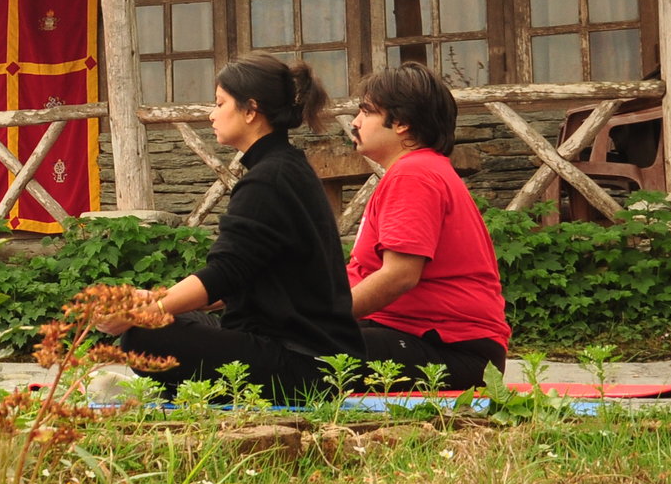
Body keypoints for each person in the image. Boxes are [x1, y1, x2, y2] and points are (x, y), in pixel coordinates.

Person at [121, 56, 364, 402]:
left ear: (251, 110)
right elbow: (246, 274)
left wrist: (146, 310)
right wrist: (154, 300)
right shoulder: (285, 168)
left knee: (143, 338)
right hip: (309, 357)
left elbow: (225, 272)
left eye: (220, 103)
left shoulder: (269, 180)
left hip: (304, 363)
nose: (212, 114)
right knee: (178, 318)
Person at [345, 64, 510, 390]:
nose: (355, 121)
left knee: (301, 353)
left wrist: (320, 318)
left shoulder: (414, 174)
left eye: (366, 111)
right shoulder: (415, 171)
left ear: (403, 123)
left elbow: (400, 275)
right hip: (413, 336)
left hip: (453, 351)